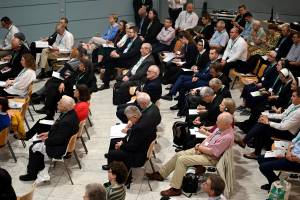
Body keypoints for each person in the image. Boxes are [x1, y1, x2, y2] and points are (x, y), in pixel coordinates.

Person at [146, 112, 234, 197]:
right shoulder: (221, 128)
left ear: (227, 124)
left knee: (182, 160)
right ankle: (161, 174)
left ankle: (176, 188)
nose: (216, 123)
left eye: (219, 122)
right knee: (179, 154)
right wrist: (202, 142)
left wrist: (199, 148)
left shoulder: (227, 137)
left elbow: (213, 152)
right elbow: (212, 137)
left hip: (210, 157)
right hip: (203, 149)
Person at [19, 95, 79, 181]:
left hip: (60, 148)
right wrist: (48, 134)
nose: (57, 103)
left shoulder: (66, 121)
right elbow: (60, 132)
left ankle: (31, 174)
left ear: (65, 107)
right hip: (62, 141)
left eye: (60, 102)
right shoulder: (70, 113)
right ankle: (39, 165)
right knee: (37, 142)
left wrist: (46, 140)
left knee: (33, 147)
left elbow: (59, 139)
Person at [243, 88, 300, 160]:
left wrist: (268, 122)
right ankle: (250, 145)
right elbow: (282, 116)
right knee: (262, 120)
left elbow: (284, 126)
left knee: (263, 125)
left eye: (293, 96)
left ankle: (247, 142)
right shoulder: (293, 105)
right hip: (282, 125)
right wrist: (267, 116)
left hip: (288, 133)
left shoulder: (299, 112)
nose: (291, 98)